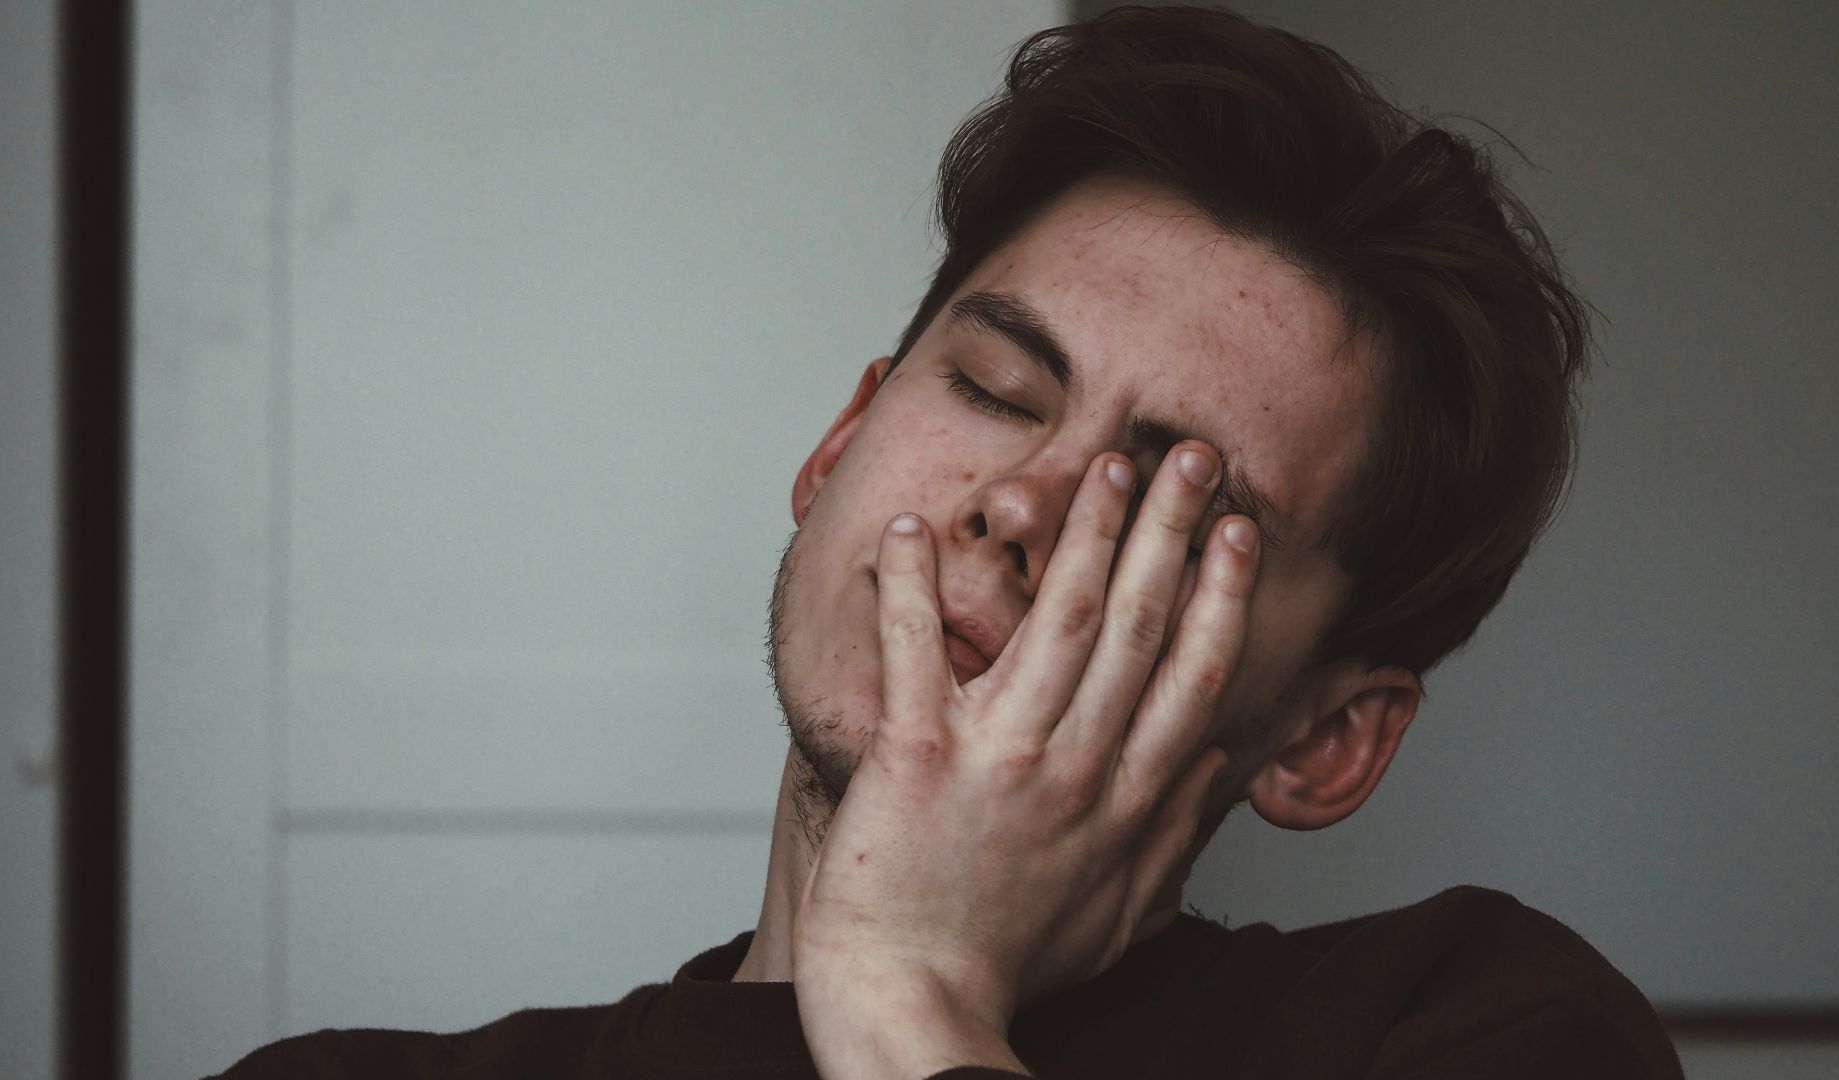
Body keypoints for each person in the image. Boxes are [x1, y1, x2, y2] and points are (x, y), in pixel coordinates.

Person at [217, 7, 1681, 1078]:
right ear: (839, 443)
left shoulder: (1478, 1028)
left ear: (1327, 739)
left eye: (1175, 506)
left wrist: (911, 994)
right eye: (992, 391)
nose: (1020, 504)